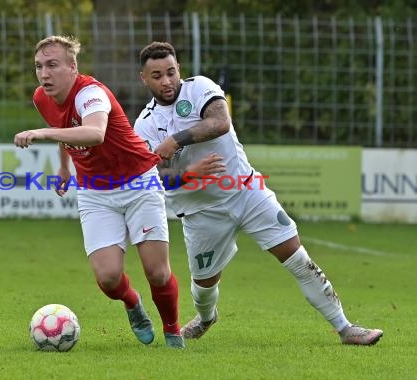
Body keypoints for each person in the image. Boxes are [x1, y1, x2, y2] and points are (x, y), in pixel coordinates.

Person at [133, 41, 383, 345]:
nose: (167, 81)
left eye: (171, 72)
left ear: (179, 70)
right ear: (144, 79)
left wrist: (176, 140)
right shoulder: (144, 125)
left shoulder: (199, 88)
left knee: (297, 257)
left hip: (246, 192)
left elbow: (220, 122)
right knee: (204, 284)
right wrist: (188, 174)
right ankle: (207, 316)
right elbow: (154, 178)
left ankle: (345, 328)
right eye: (157, 75)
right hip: (201, 212)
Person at [13, 36, 184, 348]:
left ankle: (173, 330)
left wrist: (41, 133)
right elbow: (65, 130)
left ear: (73, 66)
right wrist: (65, 168)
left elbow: (94, 132)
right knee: (107, 278)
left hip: (138, 182)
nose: (44, 74)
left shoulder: (91, 93)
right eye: (39, 66)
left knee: (157, 273)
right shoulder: (42, 98)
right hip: (95, 191)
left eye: (52, 65)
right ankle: (133, 304)